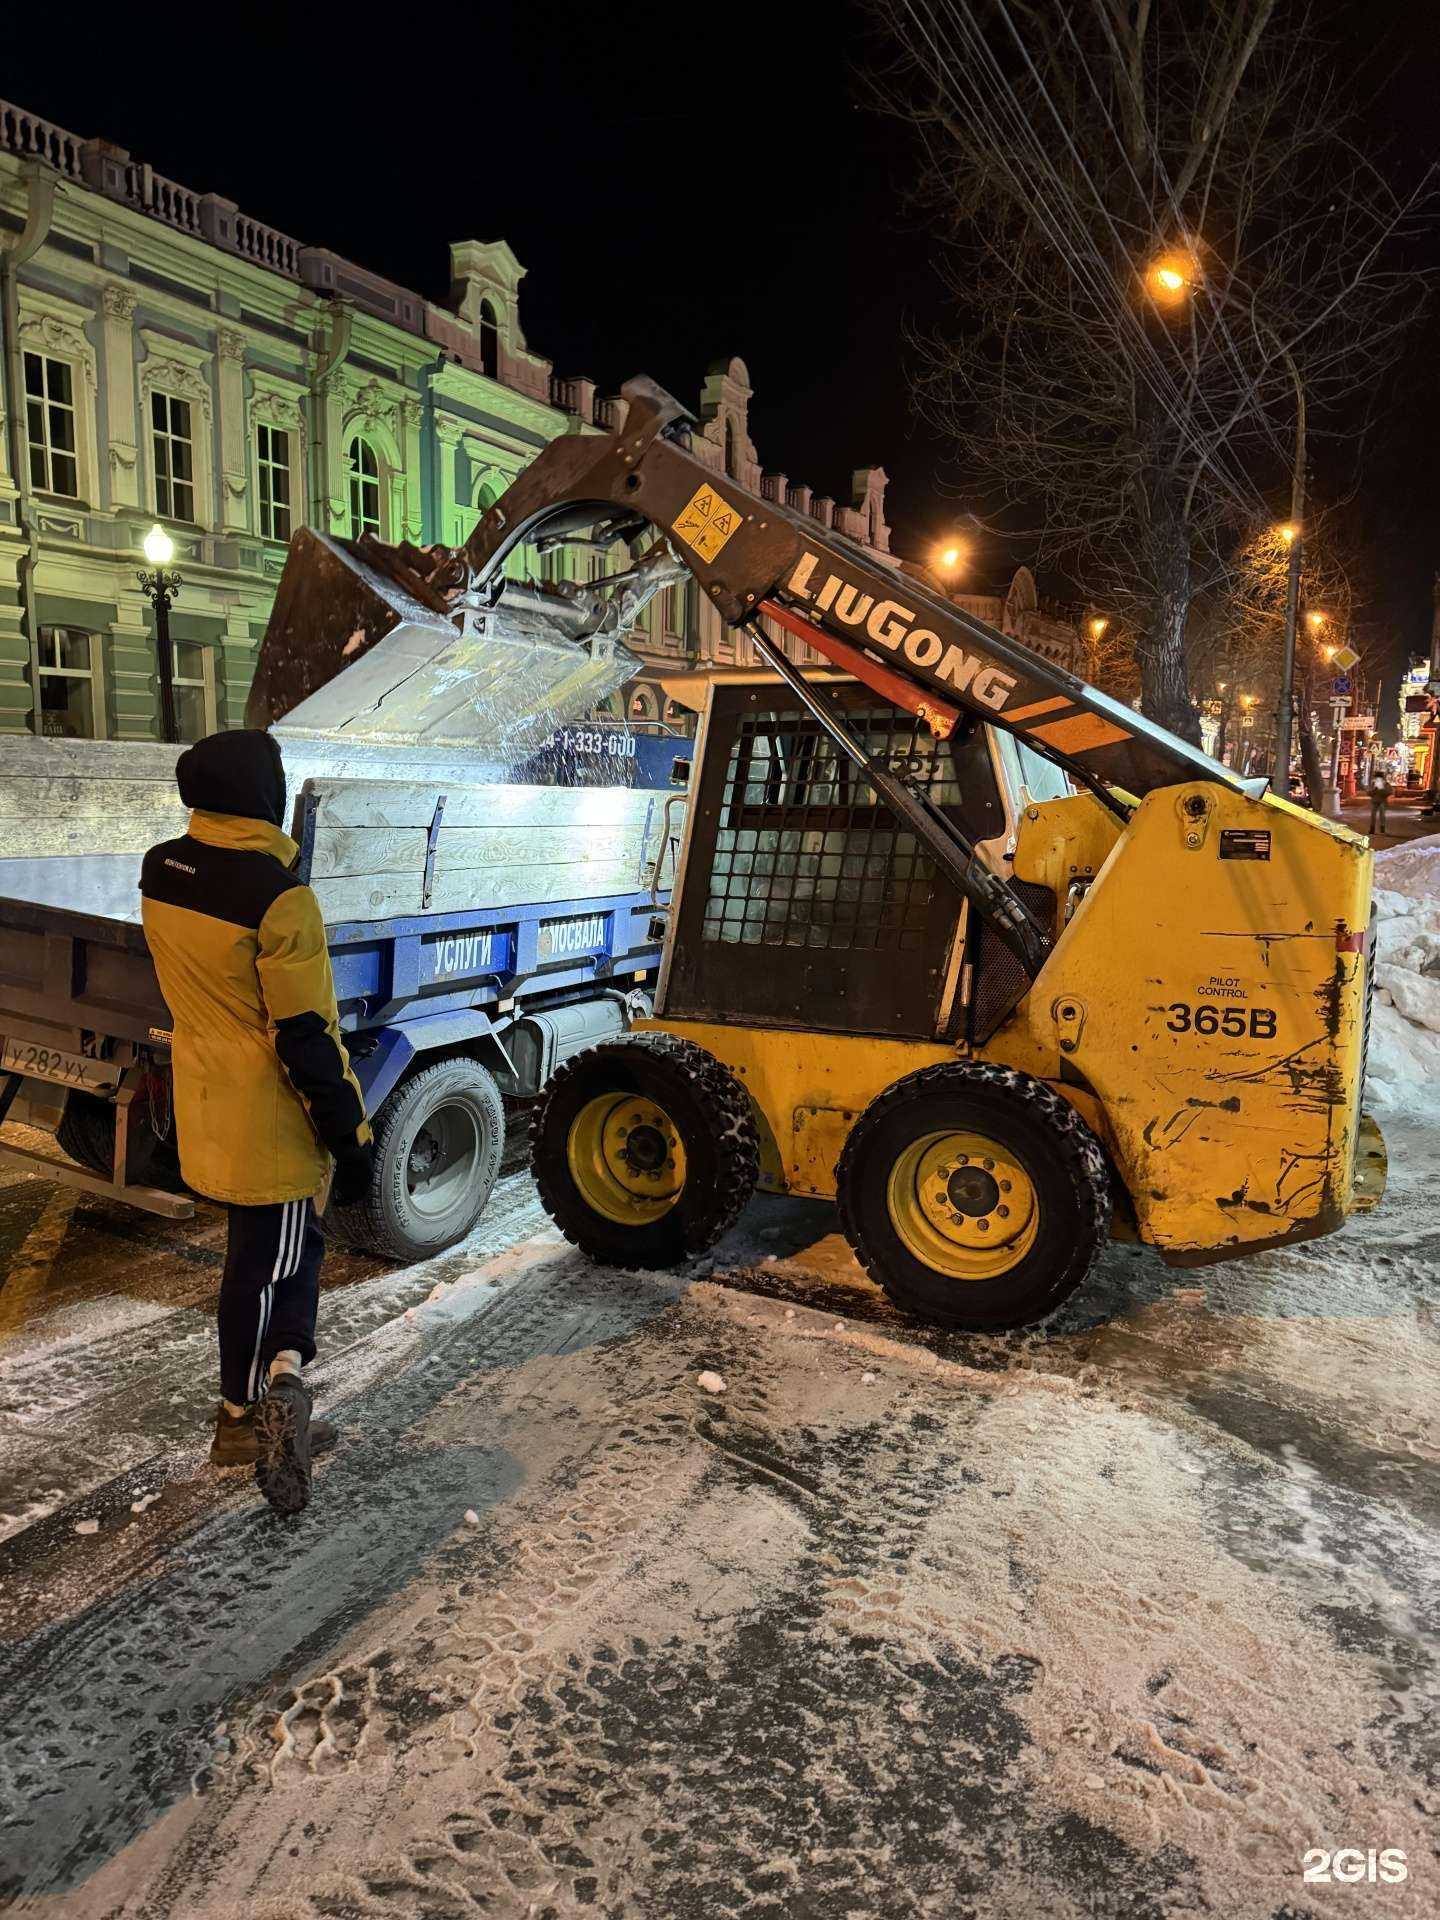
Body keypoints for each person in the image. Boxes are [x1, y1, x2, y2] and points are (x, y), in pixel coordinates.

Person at [140, 731, 373, 1514]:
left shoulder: (162, 867)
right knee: (264, 1269)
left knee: (284, 1254)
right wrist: (351, 1134)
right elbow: (306, 1034)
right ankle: (239, 1419)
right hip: (266, 1116)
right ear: (262, 794)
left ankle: (282, 1388)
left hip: (202, 1091)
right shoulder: (279, 898)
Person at [1367, 765, 1392, 839]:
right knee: (1373, 815)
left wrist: (1381, 791)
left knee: (1382, 815)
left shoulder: (1386, 784)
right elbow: (1368, 793)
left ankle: (1382, 829)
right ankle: (1372, 829)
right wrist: (1374, 790)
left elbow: (1389, 792)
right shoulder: (1373, 784)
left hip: (1382, 801)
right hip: (1375, 800)